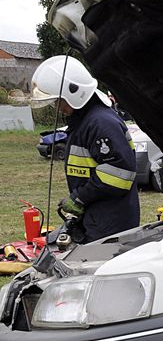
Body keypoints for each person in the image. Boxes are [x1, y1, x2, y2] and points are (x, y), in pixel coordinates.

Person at [31, 56, 139, 243]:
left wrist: (80, 197)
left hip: (111, 223)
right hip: (98, 216)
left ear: (74, 93)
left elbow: (120, 173)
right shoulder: (85, 121)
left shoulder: (101, 123)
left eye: (58, 101)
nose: (57, 107)